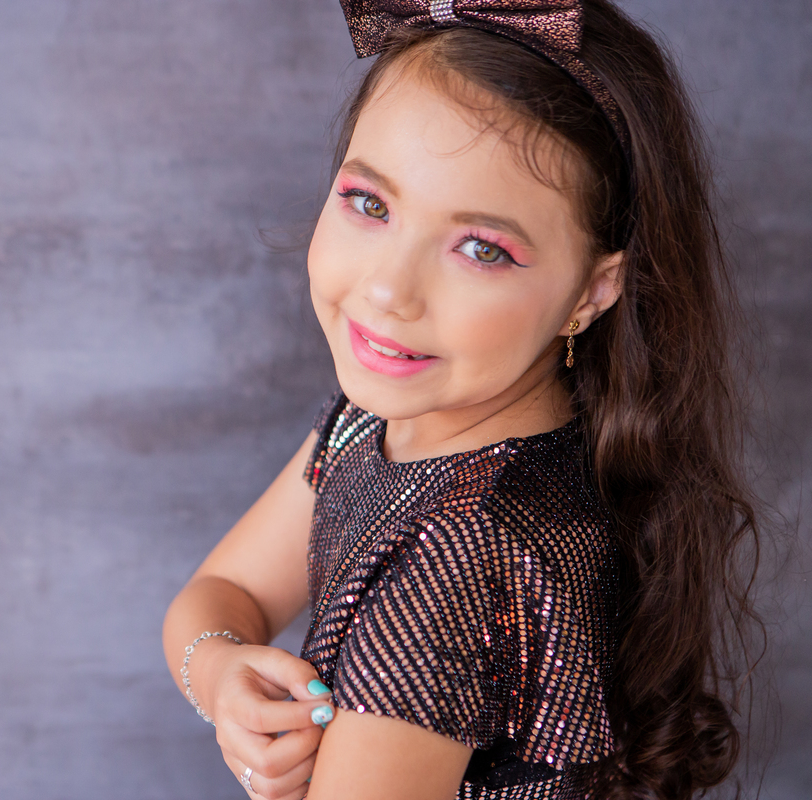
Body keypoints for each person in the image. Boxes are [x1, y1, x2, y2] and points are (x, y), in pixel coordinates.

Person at [162, 1, 761, 798]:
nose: (389, 290)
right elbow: (225, 593)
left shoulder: (456, 559)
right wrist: (220, 671)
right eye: (370, 204)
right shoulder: (378, 422)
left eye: (482, 249)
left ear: (592, 290)